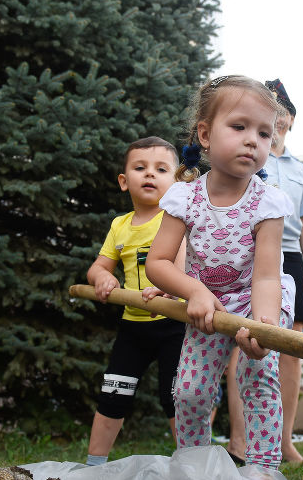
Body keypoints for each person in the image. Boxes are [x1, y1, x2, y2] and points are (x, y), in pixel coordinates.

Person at [146, 75, 296, 471]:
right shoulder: (184, 197)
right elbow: (158, 262)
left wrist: (264, 328)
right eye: (240, 126)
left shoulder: (268, 202)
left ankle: (264, 468)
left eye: (265, 133)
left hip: (256, 301)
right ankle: (194, 466)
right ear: (205, 134)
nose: (253, 140)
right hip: (207, 303)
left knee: (257, 378)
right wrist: (191, 291)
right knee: (191, 391)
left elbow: (265, 276)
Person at [224, 78, 303, 465]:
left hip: (290, 256)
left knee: (291, 348)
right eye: (270, 106)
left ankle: (284, 441)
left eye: (282, 108)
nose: (276, 115)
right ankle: (239, 440)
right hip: (248, 251)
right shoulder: (246, 153)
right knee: (243, 340)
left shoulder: (299, 169)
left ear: (291, 119)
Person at [84, 137, 185, 466]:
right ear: (125, 182)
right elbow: (97, 267)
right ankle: (94, 466)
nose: (150, 175)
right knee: (113, 394)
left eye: (160, 169)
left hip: (174, 325)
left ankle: (192, 465)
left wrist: (175, 286)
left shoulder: (176, 218)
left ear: (177, 180)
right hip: (133, 327)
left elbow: (185, 264)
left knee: (177, 400)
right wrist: (104, 278)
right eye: (140, 168)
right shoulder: (120, 225)